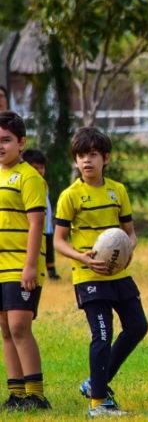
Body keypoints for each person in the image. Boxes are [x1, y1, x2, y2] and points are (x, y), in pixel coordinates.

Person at [53, 127, 148, 418]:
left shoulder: (117, 191)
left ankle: (95, 383)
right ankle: (98, 403)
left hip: (118, 275)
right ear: (75, 160)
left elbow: (130, 233)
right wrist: (82, 257)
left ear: (105, 158)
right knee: (102, 335)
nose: (87, 161)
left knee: (138, 327)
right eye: (81, 156)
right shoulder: (70, 196)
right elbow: (58, 241)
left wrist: (128, 251)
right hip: (89, 277)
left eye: (93, 154)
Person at [0, 111, 50, 411]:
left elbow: (36, 224)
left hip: (21, 264)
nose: (1, 146)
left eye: (6, 140)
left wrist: (30, 266)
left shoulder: (29, 177)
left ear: (21, 143)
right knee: (5, 328)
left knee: (19, 326)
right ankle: (16, 394)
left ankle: (36, 395)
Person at [21, 149, 61, 281]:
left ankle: (52, 272)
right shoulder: (27, 183)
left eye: (41, 168)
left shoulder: (43, 184)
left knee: (48, 249)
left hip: (46, 225)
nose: (39, 171)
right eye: (35, 168)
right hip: (33, 226)